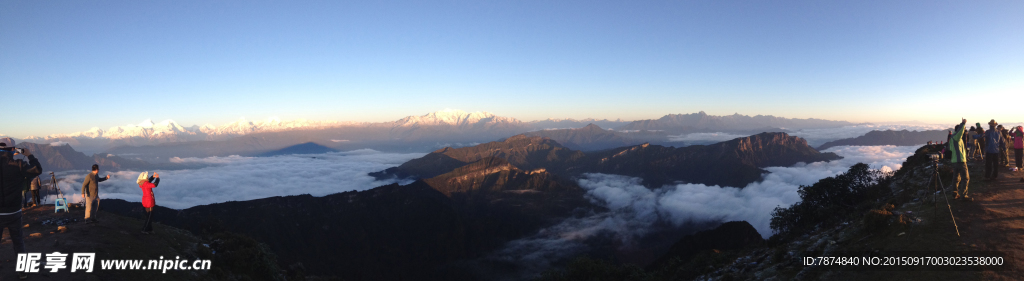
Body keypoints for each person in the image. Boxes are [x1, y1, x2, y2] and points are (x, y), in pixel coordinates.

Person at [0, 138, 42, 280]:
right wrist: (29, 155)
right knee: (18, 242)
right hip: (14, 212)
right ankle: (22, 271)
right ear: (13, 149)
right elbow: (37, 170)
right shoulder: (19, 164)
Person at [950, 119, 970, 199]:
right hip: (960, 161)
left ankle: (954, 194)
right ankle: (964, 195)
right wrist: (963, 123)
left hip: (955, 161)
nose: (965, 131)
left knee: (956, 178)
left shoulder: (953, 138)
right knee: (965, 178)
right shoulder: (956, 138)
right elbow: (960, 132)